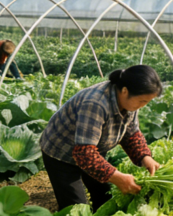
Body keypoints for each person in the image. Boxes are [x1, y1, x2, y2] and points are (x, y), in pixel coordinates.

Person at [40, 65, 163, 211]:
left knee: (104, 196)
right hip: (61, 152)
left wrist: (144, 157)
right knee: (76, 208)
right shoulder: (96, 103)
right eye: (142, 101)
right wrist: (118, 177)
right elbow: (84, 154)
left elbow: (131, 133)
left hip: (92, 150)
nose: (143, 106)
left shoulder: (129, 103)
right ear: (125, 91)